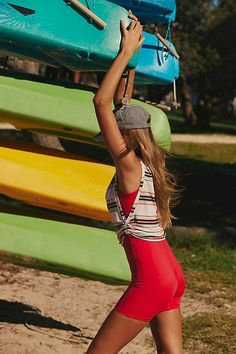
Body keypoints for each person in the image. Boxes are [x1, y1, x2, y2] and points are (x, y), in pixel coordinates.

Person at [87, 12, 186, 354]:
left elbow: (101, 102)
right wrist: (134, 53)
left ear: (122, 137)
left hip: (152, 280)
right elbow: (120, 103)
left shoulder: (128, 165)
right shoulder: (147, 164)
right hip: (170, 273)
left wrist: (124, 53)